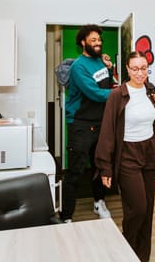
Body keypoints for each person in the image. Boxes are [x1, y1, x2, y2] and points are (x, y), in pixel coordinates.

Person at [95, 51, 155, 262]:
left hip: (149, 153)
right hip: (127, 155)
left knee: (148, 209)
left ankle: (142, 256)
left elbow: (149, 114)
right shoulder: (117, 95)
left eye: (143, 68)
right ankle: (126, 252)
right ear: (127, 69)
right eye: (135, 68)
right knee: (137, 208)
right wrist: (105, 167)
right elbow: (107, 132)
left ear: (147, 69)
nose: (139, 73)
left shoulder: (149, 90)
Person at [60, 24, 114, 222]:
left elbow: (106, 84)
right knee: (75, 171)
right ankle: (66, 216)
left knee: (100, 166)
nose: (98, 43)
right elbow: (96, 93)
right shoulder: (78, 67)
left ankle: (99, 202)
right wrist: (120, 93)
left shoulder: (100, 61)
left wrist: (109, 67)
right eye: (93, 40)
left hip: (100, 123)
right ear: (83, 42)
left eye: (99, 40)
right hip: (80, 124)